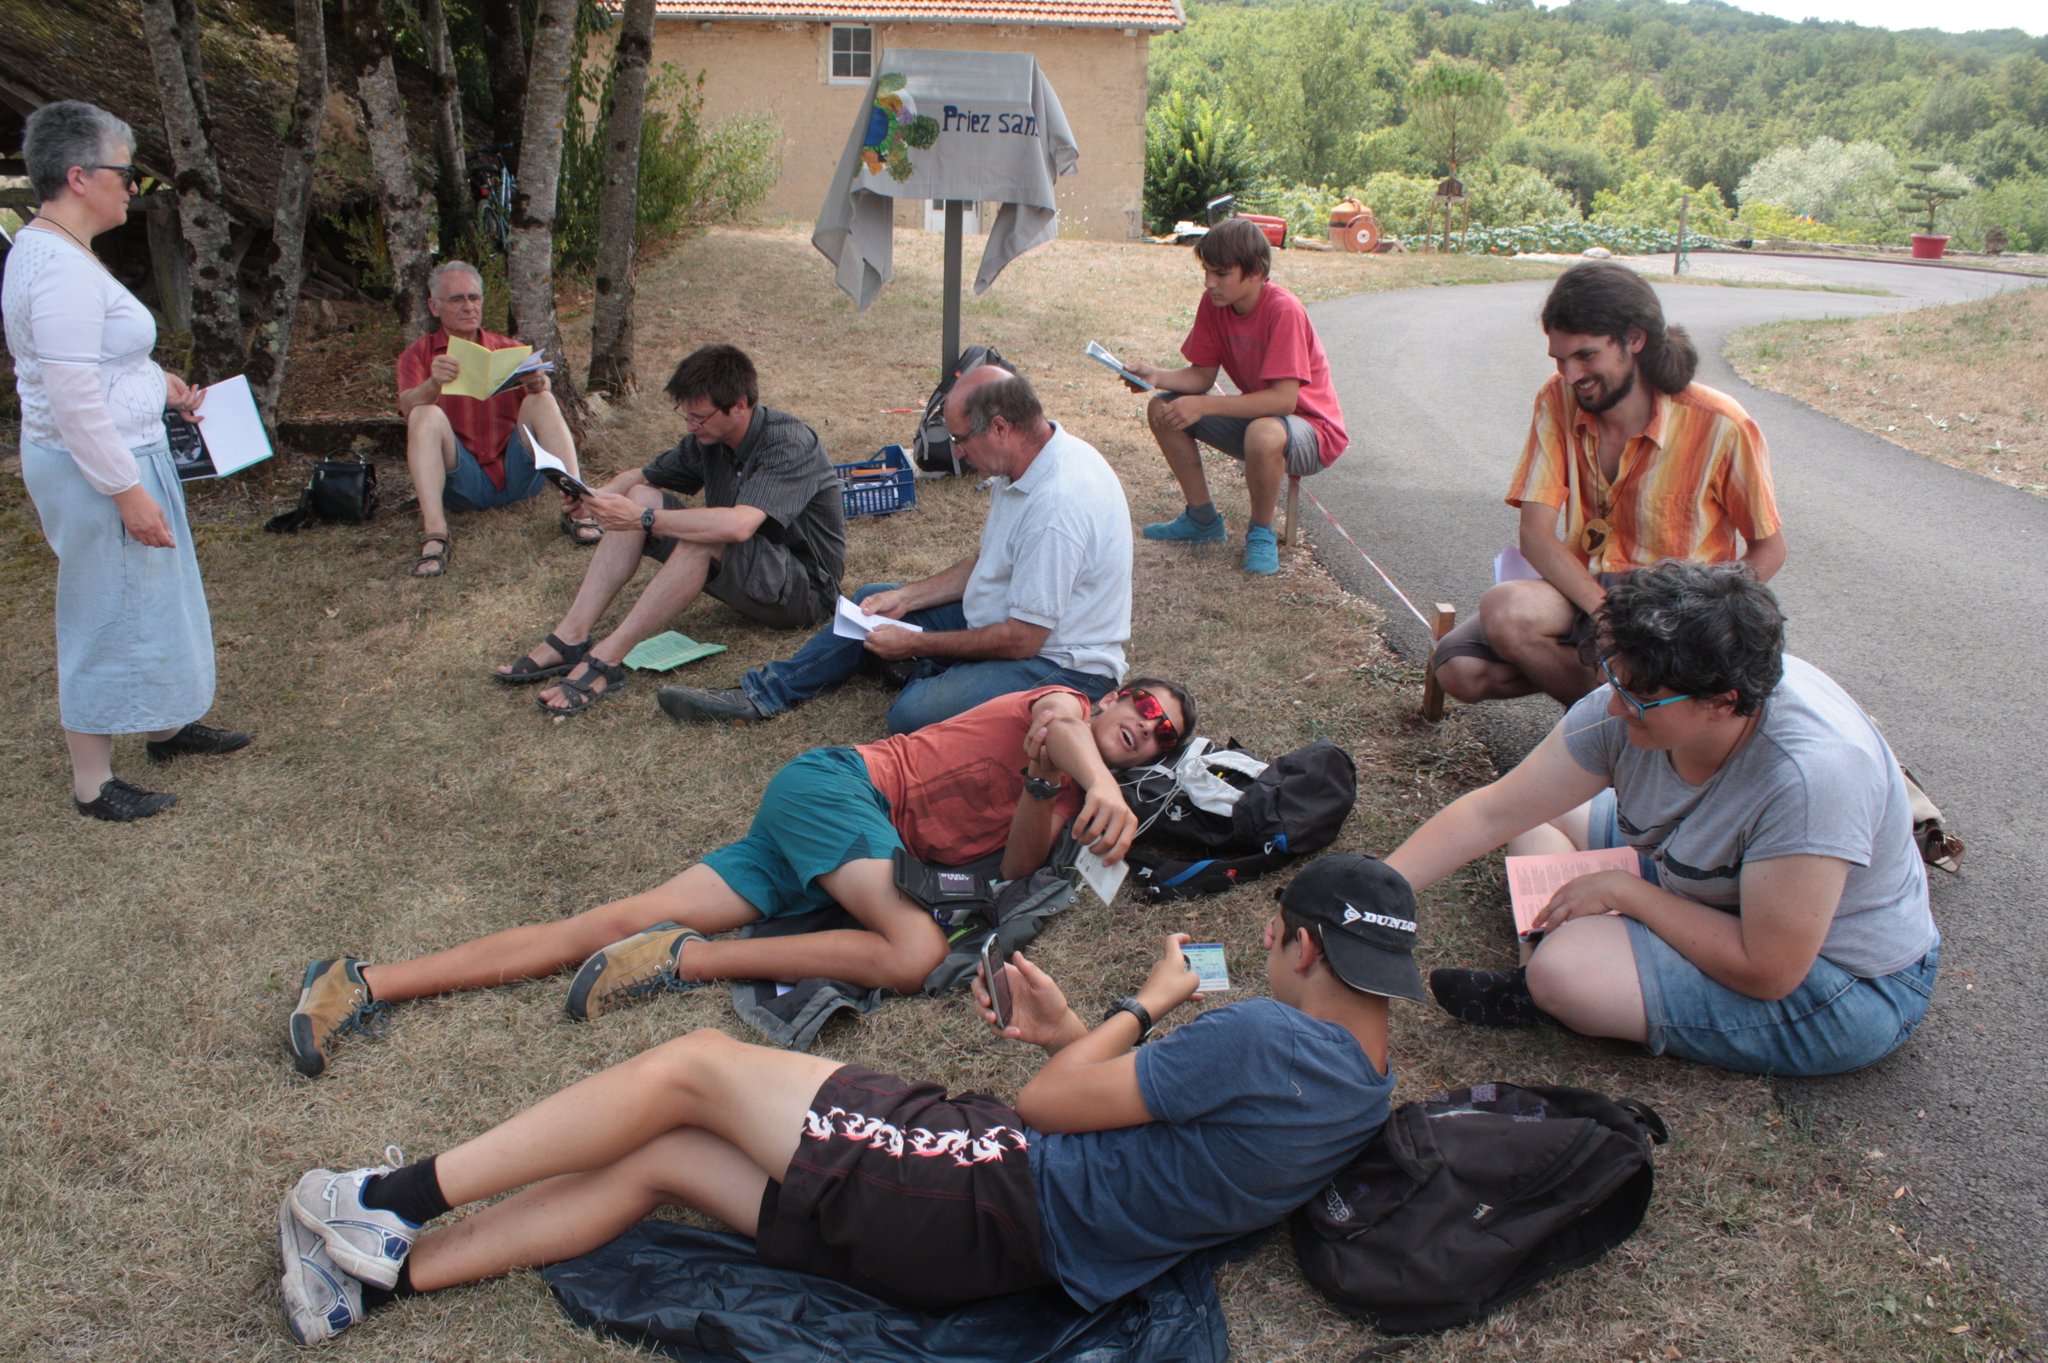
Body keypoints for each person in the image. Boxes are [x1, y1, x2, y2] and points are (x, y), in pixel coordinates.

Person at [274, 852, 1417, 1345]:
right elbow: (1131, 1119)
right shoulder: (1362, 1088)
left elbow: (1054, 1107)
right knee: (662, 1158)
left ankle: (387, 1196)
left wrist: (1145, 999)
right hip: (997, 1250)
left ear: (1300, 946)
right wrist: (1072, 1036)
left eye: (1270, 942)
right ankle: (371, 1285)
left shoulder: (1269, 1033)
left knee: (691, 1069)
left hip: (983, 1190)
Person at [288, 679, 1194, 1076]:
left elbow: (1015, 869)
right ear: (1113, 694)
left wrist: (1052, 791)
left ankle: (363, 980)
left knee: (609, 919)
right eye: (1144, 708)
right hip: (836, 790)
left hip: (835, 859)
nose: (1146, 728)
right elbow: (1058, 720)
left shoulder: (1071, 785)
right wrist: (1097, 772)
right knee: (915, 948)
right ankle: (683, 961)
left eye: (1163, 736)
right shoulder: (1065, 699)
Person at [1388, 561, 1938, 1078]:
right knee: (1538, 819)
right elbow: (1495, 811)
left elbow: (1768, 969)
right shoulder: (1652, 690)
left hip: (1841, 982)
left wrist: (1625, 894)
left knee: (1568, 972)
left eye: (1638, 697)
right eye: (1613, 680)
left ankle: (1550, 978)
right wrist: (1368, 887)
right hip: (1714, 888)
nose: (1613, 707)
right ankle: (1544, 967)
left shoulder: (1812, 778)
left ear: (1721, 704)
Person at [2, 100, 250, 822]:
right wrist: (125, 491)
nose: (131, 186)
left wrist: (159, 385)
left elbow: (98, 363)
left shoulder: (61, 253)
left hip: (124, 452)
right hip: (98, 469)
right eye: (123, 172)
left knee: (151, 598)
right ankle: (92, 781)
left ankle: (166, 724)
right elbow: (72, 398)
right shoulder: (55, 268)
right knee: (104, 609)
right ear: (78, 177)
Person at [659, 367, 1132, 735]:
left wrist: (918, 642)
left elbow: (1022, 640)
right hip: (1006, 623)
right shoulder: (1027, 461)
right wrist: (908, 596)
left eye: (961, 439)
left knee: (910, 715)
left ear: (1002, 427)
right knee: (872, 601)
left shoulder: (1057, 505)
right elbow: (989, 562)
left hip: (1059, 664)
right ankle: (763, 695)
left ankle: (920, 666)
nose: (957, 453)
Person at [1432, 261, 1787, 705]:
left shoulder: (1721, 424)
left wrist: (1703, 617)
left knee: (1644, 659)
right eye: (1559, 359)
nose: (1571, 375)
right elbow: (1536, 537)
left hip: (1675, 604)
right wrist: (1606, 619)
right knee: (1464, 662)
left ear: (1634, 340)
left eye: (1585, 355)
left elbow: (1769, 550)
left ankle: (1622, 720)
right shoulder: (1556, 399)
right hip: (1588, 587)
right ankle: (1619, 710)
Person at [491, 345, 846, 715]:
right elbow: (641, 477)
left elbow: (740, 525)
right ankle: (570, 637)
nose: (691, 425)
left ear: (739, 405)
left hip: (806, 592)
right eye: (686, 415)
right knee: (641, 494)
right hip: (757, 575)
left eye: (700, 417)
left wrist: (640, 518)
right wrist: (597, 497)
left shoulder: (789, 442)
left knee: (697, 536)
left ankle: (608, 660)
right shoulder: (710, 438)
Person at [1126, 218, 1348, 577]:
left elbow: (1283, 401)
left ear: (1257, 272)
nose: (1209, 283)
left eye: (1221, 273)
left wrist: (1204, 405)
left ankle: (1261, 532)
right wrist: (1155, 376)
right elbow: (1201, 375)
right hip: (1262, 420)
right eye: (1206, 272)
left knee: (1262, 433)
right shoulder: (1213, 304)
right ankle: (1202, 520)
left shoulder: (1284, 310)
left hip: (1314, 430)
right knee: (1163, 408)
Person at [395, 260, 594, 577]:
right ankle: (435, 533)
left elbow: (540, 392)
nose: (468, 307)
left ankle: (579, 506)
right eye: (457, 299)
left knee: (542, 399)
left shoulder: (508, 348)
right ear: (434, 306)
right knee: (424, 414)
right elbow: (407, 408)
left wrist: (539, 383)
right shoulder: (418, 354)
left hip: (516, 472)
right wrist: (433, 384)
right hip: (463, 481)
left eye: (474, 298)